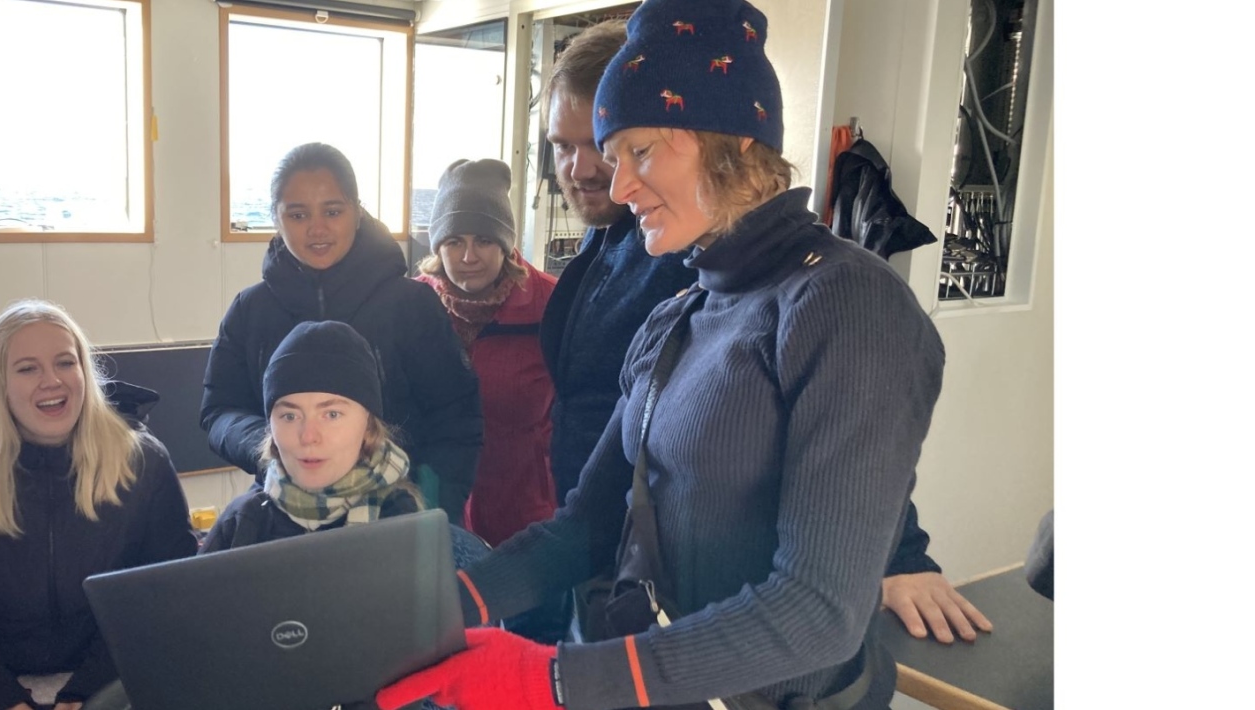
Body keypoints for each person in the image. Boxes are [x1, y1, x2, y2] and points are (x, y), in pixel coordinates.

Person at [377, 2, 945, 708]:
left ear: (734, 141)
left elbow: (819, 612)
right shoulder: (678, 316)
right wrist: (443, 603)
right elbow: (587, 526)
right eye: (614, 160)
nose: (616, 186)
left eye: (639, 152)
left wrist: (553, 680)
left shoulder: (847, 304)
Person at [541, 18, 991, 646]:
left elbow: (843, 443)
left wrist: (897, 552)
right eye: (570, 147)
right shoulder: (666, 284)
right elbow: (597, 508)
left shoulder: (838, 295)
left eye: (632, 150)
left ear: (732, 142)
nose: (602, 177)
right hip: (638, 603)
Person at [0, 300, 198, 710]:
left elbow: (158, 592)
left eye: (65, 362)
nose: (52, 381)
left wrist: (89, 690)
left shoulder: (143, 463)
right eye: (27, 368)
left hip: (111, 678)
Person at [200, 142, 483, 524]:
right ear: (276, 217)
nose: (317, 229)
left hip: (397, 514)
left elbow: (456, 416)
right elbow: (219, 409)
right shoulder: (250, 311)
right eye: (298, 214)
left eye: (332, 211)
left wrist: (432, 505)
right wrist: (274, 448)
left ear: (357, 210)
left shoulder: (411, 305)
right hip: (284, 513)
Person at [414, 158, 559, 549]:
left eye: (484, 239)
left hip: (526, 503)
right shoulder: (413, 304)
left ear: (506, 243)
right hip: (435, 500)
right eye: (454, 241)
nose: (468, 256)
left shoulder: (552, 304)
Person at [201, 321, 425, 551]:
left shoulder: (407, 526)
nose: (308, 436)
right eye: (290, 416)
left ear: (368, 424)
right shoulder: (241, 525)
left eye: (332, 414)